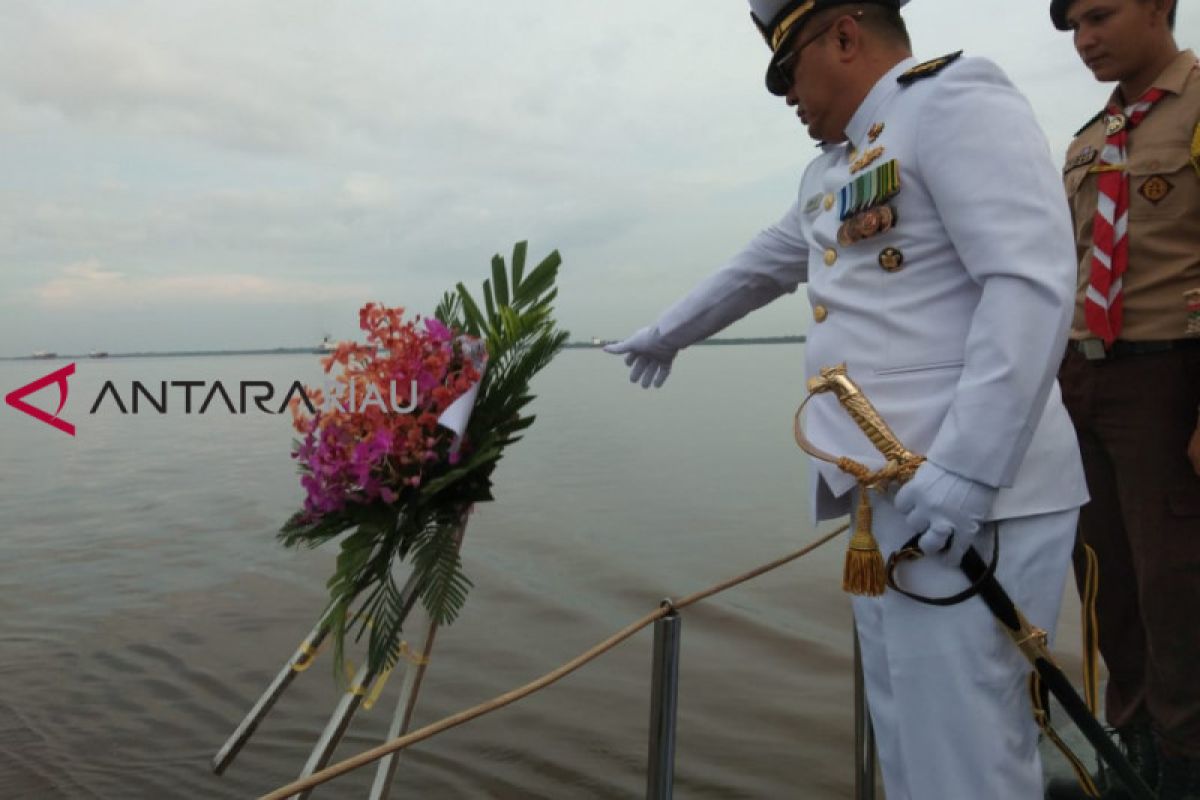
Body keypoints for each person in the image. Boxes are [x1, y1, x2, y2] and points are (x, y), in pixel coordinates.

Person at [605, 1, 1089, 797]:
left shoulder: (952, 101)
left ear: (844, 35)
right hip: (891, 498)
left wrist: (969, 466)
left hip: (973, 494)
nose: (786, 96)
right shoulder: (834, 170)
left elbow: (1031, 282)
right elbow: (759, 265)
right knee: (908, 741)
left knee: (965, 750)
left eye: (788, 71)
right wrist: (666, 332)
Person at [1045, 0, 1200, 798]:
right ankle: (1136, 740)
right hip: (1083, 380)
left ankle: (1186, 762)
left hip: (1169, 379)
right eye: (1073, 28)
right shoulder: (1089, 139)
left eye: (1100, 16)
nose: (1086, 40)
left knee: (1179, 584)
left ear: (1159, 6)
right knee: (1104, 576)